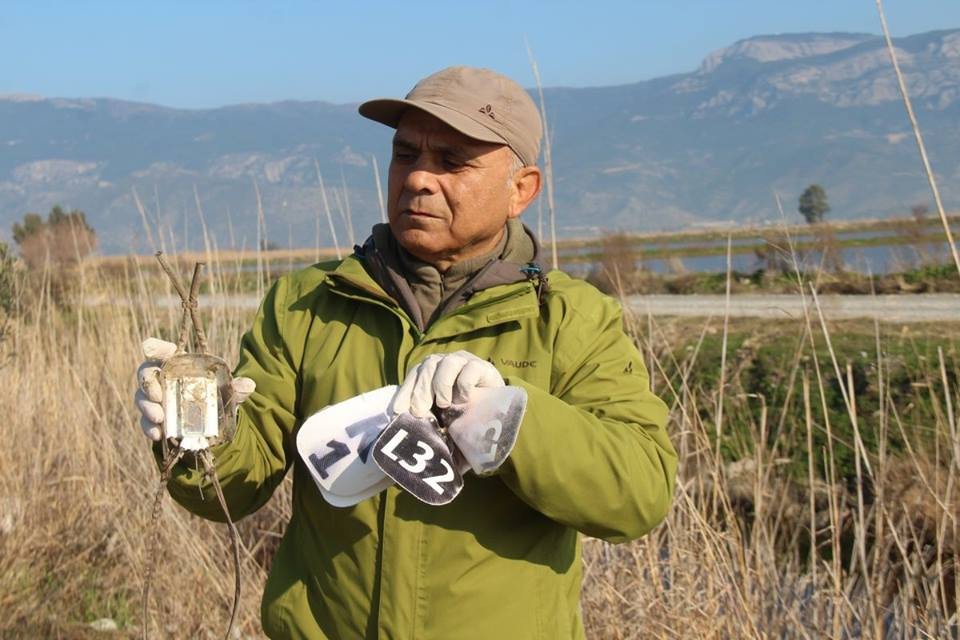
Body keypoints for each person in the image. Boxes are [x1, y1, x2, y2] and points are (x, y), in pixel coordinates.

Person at [134, 66, 677, 639]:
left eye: (452, 160)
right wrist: (197, 436)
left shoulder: (570, 319)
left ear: (522, 189)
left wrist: (512, 419)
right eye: (405, 154)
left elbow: (639, 494)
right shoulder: (306, 305)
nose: (419, 177)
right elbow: (232, 491)